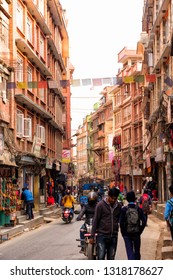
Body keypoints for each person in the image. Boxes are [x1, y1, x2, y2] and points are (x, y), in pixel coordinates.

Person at [89, 187, 122, 260]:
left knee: (111, 257)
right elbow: (95, 220)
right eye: (112, 198)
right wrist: (92, 236)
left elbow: (120, 219)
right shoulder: (100, 205)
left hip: (113, 236)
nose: (113, 200)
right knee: (101, 257)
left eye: (115, 199)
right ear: (108, 196)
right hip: (102, 236)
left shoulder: (118, 206)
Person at [120, 191, 146, 260]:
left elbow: (121, 223)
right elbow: (144, 222)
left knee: (130, 252)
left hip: (127, 234)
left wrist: (123, 233)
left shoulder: (124, 210)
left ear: (127, 199)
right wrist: (140, 231)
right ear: (134, 199)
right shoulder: (139, 209)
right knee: (137, 252)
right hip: (136, 233)